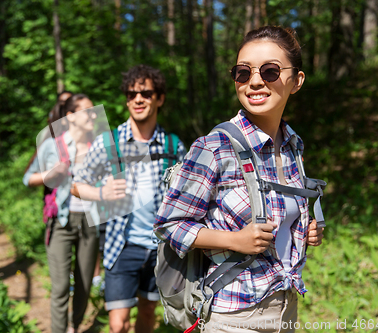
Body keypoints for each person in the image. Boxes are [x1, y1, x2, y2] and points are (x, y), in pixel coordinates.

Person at [154, 26, 324, 333]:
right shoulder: (214, 147)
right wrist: (235, 240)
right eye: (243, 73)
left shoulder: (293, 145)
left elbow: (280, 216)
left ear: (296, 81)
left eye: (270, 71)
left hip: (286, 307)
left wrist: (304, 231)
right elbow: (169, 224)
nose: (255, 81)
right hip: (233, 315)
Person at [71, 64, 186, 333]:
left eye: (146, 93)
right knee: (118, 324)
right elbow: (77, 185)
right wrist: (101, 193)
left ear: (159, 98)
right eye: (132, 94)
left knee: (147, 313)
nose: (138, 99)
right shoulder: (108, 142)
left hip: (161, 249)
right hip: (120, 246)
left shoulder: (173, 145)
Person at [36, 93, 100, 333]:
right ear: (71, 116)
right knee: (61, 285)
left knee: (84, 284)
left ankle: (74, 326)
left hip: (90, 221)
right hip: (61, 220)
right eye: (88, 111)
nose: (93, 115)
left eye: (95, 111)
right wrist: (50, 175)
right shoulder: (53, 144)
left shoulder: (99, 145)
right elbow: (29, 177)